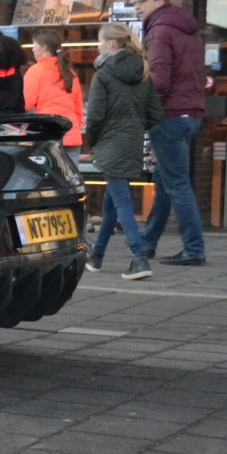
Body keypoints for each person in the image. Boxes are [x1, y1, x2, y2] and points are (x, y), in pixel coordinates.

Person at [133, 0, 208, 266]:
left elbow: (159, 81)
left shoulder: (160, 30)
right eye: (136, 2)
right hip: (190, 114)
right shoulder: (187, 30)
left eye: (143, 1)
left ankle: (194, 249)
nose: (138, 6)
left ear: (160, 1)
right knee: (165, 182)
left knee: (177, 184)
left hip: (169, 115)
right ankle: (147, 243)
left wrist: (140, 105)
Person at [84, 23, 164, 281]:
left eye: (99, 41)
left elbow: (94, 116)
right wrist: (134, 127)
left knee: (121, 201)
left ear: (110, 45)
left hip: (109, 141)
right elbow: (155, 114)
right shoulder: (143, 73)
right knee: (111, 204)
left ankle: (139, 258)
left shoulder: (103, 74)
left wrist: (93, 142)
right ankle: (96, 257)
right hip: (131, 142)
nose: (97, 46)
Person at [23, 29, 84, 163]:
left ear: (44, 47)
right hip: (71, 135)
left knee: (49, 180)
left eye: (35, 46)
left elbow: (26, 103)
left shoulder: (36, 71)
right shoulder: (69, 72)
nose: (32, 50)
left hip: (48, 135)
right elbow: (78, 109)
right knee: (72, 180)